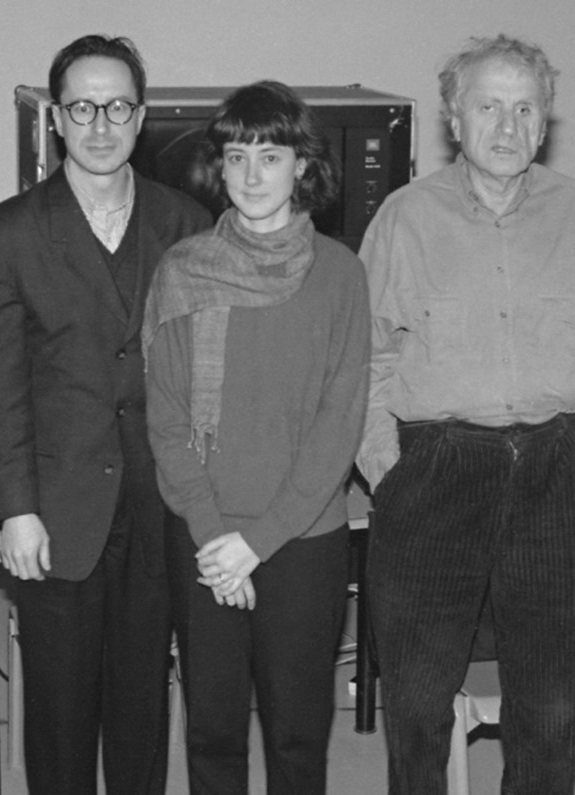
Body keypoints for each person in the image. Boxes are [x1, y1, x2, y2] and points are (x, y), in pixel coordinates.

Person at [355, 33, 575, 794]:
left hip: (557, 468)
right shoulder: (403, 219)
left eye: (525, 109)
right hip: (437, 469)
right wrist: (392, 472)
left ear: (544, 121)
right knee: (415, 700)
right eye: (489, 106)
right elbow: (366, 360)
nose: (507, 127)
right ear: (455, 115)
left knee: (549, 710)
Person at [0, 34, 211, 795]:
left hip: (158, 502)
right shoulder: (7, 232)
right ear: (56, 120)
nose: (100, 123)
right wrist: (15, 508)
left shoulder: (187, 222)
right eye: (82, 106)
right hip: (56, 510)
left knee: (143, 704)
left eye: (117, 106)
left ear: (141, 117)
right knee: (61, 715)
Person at [143, 79, 369, 795]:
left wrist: (257, 542)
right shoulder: (183, 270)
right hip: (205, 539)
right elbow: (168, 420)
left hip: (301, 541)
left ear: (303, 165)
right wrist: (217, 539)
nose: (250, 174)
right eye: (236, 155)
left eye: (269, 156)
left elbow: (340, 426)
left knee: (297, 735)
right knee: (211, 730)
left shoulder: (340, 274)